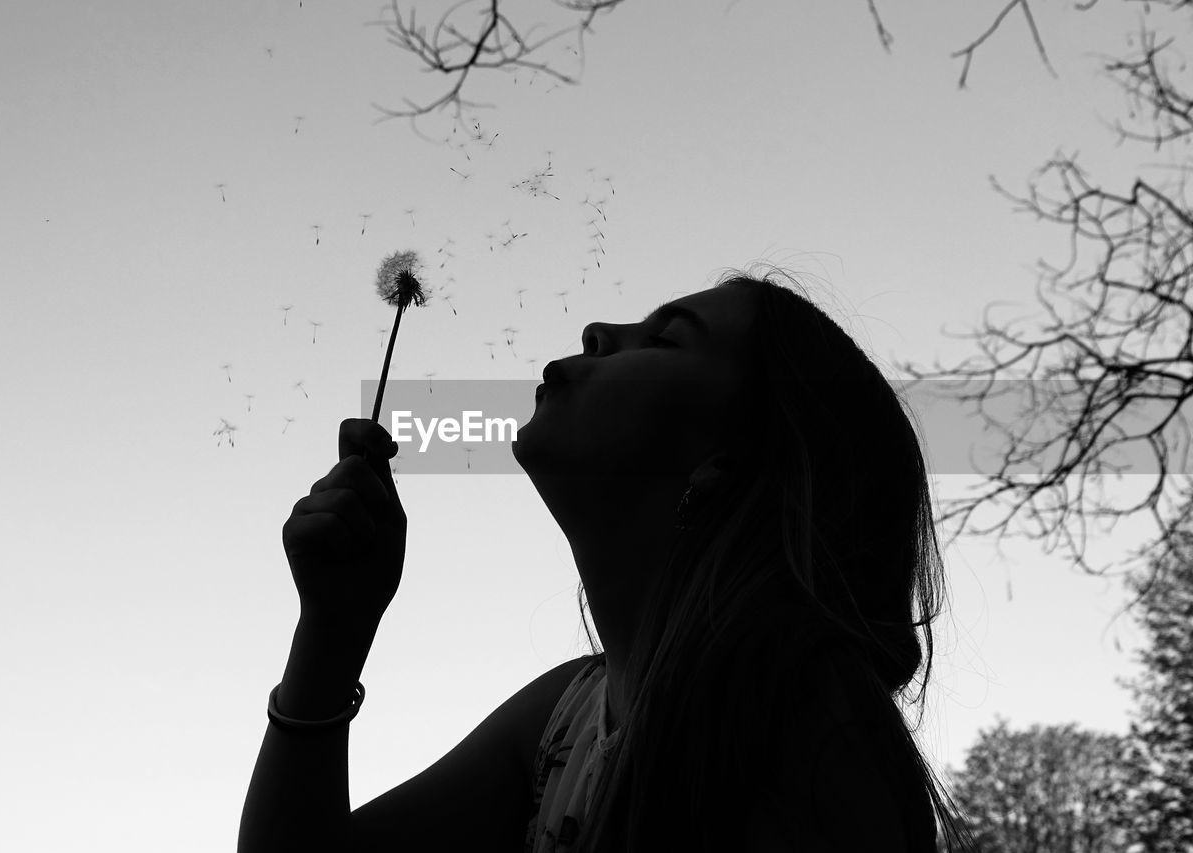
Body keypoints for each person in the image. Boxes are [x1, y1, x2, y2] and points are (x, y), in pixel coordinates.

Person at [238, 268, 978, 852]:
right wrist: (331, 634)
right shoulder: (566, 718)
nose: (596, 330)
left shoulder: (805, 714)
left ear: (729, 464)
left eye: (664, 340)